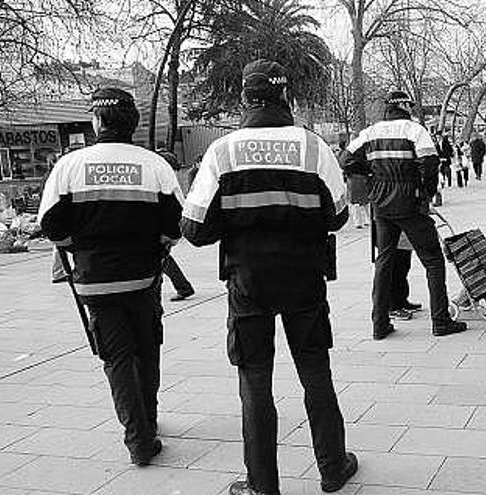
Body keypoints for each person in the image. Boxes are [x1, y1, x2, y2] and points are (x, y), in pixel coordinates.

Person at [180, 60, 357, 495]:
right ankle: (333, 468)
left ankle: (262, 485)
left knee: (254, 379)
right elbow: (338, 216)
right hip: (305, 280)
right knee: (315, 371)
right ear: (285, 97)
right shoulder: (313, 147)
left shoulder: (223, 151)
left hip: (248, 284)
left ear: (245, 97)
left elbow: (194, 230)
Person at [38, 87, 183, 466]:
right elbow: (176, 224)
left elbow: (50, 226)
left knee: (117, 359)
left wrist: (78, 248)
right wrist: (157, 246)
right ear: (132, 122)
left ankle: (138, 441)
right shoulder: (154, 166)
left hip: (95, 282)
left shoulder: (69, 167)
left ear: (98, 121)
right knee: (148, 351)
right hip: (143, 279)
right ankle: (148, 423)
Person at [342, 90, 467, 340]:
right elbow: (430, 163)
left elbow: (345, 160)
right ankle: (440, 321)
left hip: (381, 205)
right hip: (409, 203)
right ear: (405, 106)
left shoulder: (370, 132)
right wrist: (425, 193)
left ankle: (380, 325)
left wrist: (371, 178)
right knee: (432, 261)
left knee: (384, 262)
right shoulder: (414, 130)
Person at [155, 147, 196, 301]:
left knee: (162, 260)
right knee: (163, 259)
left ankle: (183, 287)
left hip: (165, 229)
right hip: (172, 226)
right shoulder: (171, 180)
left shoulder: (164, 181)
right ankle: (182, 287)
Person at [339, 134, 371, 229]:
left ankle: (358, 222)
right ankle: (368, 220)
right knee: (365, 200)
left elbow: (342, 163)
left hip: (352, 177)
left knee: (354, 201)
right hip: (362, 176)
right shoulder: (363, 150)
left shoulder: (347, 152)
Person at [389, 233, 423, 320]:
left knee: (403, 270)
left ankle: (402, 301)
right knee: (396, 273)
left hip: (404, 239)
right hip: (395, 239)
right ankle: (393, 307)